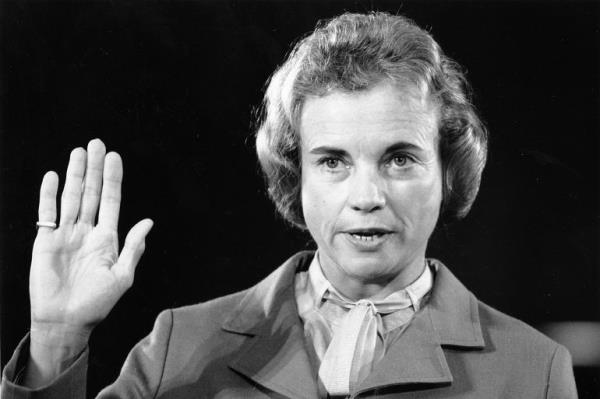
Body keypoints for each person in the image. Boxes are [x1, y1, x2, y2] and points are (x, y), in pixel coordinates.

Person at [1, 11, 577, 398]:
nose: (367, 198)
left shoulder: (536, 372)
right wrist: (56, 339)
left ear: (449, 174)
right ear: (292, 177)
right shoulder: (179, 344)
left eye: (400, 159)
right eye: (333, 162)